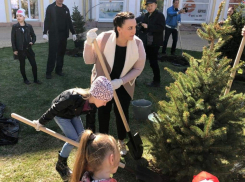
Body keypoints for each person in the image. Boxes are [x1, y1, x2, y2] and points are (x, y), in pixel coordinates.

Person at [83, 12, 146, 156]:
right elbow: (89, 60)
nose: (134, 31)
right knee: (103, 112)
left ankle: (121, 140)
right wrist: (88, 43)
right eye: (130, 28)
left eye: (135, 27)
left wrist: (120, 82)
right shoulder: (104, 38)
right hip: (102, 83)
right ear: (119, 28)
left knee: (122, 113)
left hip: (123, 84)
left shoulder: (137, 43)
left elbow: (138, 68)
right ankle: (104, 142)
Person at [33, 76, 113, 181]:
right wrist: (40, 122)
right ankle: (61, 164)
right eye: (104, 100)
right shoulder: (73, 97)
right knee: (73, 140)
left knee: (82, 138)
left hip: (73, 114)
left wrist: (91, 138)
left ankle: (86, 164)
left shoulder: (93, 106)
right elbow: (55, 108)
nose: (105, 104)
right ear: (97, 95)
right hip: (61, 114)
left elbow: (90, 122)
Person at [43, 0, 77, 79]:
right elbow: (47, 20)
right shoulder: (50, 7)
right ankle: (48, 72)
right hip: (53, 35)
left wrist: (73, 32)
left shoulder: (65, 8)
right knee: (52, 54)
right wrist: (45, 32)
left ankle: (59, 70)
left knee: (61, 53)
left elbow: (69, 21)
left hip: (63, 35)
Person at [11, 8, 41, 85]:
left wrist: (32, 42)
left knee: (34, 64)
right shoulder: (15, 27)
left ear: (24, 17)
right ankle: (25, 79)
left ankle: (35, 79)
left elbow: (33, 36)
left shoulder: (29, 26)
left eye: (20, 16)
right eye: (17, 16)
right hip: (20, 50)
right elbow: (13, 39)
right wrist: (15, 49)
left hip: (28, 49)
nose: (18, 17)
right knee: (22, 65)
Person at [141, 0, 165, 87]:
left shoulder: (159, 15)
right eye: (148, 6)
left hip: (155, 43)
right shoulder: (146, 15)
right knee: (146, 60)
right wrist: (142, 27)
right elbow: (144, 28)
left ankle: (156, 81)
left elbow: (161, 28)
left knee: (153, 62)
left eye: (151, 5)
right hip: (147, 42)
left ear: (155, 5)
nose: (149, 7)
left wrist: (148, 26)